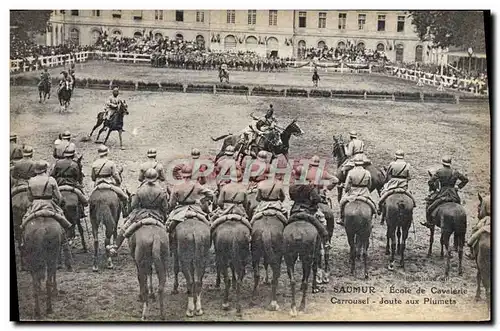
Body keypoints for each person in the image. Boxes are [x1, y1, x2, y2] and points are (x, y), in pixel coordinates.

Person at [21, 160, 73, 270]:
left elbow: (29, 197)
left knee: (24, 221)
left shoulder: (31, 180)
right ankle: (67, 255)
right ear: (45, 169)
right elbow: (58, 196)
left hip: (35, 205)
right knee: (62, 224)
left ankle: (23, 243)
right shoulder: (51, 180)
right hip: (50, 204)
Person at [107, 169, 169, 255]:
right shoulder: (162, 191)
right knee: (169, 227)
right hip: (157, 214)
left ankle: (115, 246)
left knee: (125, 227)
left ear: (145, 178)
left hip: (141, 213)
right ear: (156, 178)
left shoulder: (140, 190)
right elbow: (165, 207)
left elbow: (133, 205)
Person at [422, 156, 468, 228]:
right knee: (460, 207)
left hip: (442, 194)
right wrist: (458, 187)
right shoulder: (455, 172)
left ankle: (429, 223)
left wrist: (435, 189)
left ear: (442, 163)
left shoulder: (439, 171)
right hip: (454, 195)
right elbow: (465, 180)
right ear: (450, 163)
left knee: (429, 208)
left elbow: (430, 182)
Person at [288, 165, 329, 245]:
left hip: (295, 210)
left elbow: (292, 198)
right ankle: (325, 242)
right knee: (323, 221)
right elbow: (317, 199)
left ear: (295, 175)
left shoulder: (292, 187)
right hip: (309, 211)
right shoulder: (309, 187)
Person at [166, 165, 214, 234]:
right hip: (196, 210)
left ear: (182, 174)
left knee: (168, 227)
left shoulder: (176, 186)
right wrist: (203, 200)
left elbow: (172, 204)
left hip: (180, 211)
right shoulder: (197, 185)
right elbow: (211, 194)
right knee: (209, 225)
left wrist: (169, 210)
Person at [304, 155, 339, 243]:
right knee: (330, 217)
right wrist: (327, 188)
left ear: (310, 164)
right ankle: (328, 239)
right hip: (320, 199)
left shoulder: (306, 172)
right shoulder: (322, 172)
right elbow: (335, 180)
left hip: (307, 200)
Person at [377, 150, 417, 224]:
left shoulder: (392, 164)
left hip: (393, 183)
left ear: (395, 156)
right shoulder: (407, 165)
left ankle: (380, 208)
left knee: (383, 194)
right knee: (411, 196)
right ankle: (412, 209)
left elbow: (387, 175)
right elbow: (409, 177)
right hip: (403, 185)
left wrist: (386, 182)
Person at [338, 154, 377, 226]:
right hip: (364, 192)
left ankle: (341, 218)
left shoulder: (351, 172)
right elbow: (369, 185)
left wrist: (347, 190)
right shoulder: (367, 173)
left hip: (352, 193)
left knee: (342, 203)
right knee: (373, 205)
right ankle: (372, 219)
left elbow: (347, 186)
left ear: (354, 163)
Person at [90, 145, 129, 216]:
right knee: (125, 197)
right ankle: (125, 212)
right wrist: (119, 182)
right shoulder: (111, 163)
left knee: (89, 200)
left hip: (98, 185)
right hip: (109, 184)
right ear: (107, 153)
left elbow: (93, 178)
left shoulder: (94, 164)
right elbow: (115, 176)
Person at [50, 143, 88, 213]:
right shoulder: (74, 164)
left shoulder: (58, 163)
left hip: (59, 184)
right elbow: (78, 177)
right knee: (81, 194)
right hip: (72, 184)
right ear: (73, 155)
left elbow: (53, 175)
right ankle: (82, 211)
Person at [211, 168, 252, 232]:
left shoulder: (225, 187)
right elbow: (246, 204)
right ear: (241, 178)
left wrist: (224, 206)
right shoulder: (243, 188)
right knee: (250, 225)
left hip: (225, 210)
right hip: (239, 211)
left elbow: (219, 202)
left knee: (212, 221)